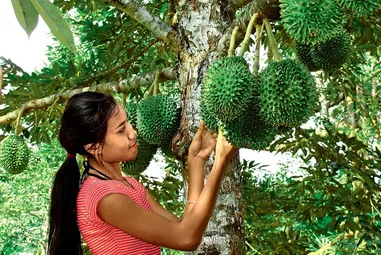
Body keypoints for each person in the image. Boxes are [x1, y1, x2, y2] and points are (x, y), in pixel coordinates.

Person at [47, 91, 238, 255]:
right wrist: (220, 161)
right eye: (121, 130)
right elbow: (186, 238)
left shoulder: (127, 184)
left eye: (128, 122)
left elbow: (185, 226)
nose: (133, 132)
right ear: (94, 147)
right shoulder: (105, 198)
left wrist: (196, 160)